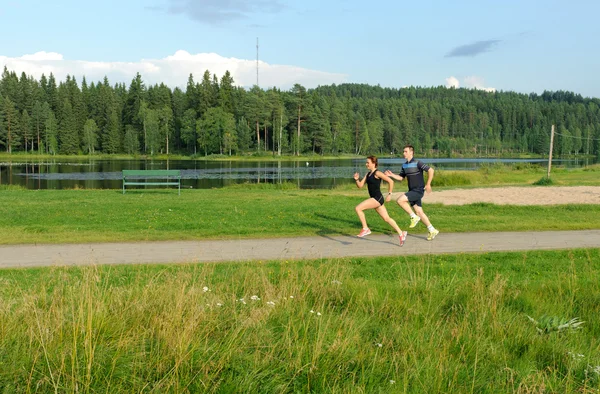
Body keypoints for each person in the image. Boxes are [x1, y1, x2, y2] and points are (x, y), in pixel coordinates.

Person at [385, 145, 439, 241]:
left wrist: (428, 184)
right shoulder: (404, 165)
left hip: (418, 190)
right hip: (412, 191)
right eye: (403, 151)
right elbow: (401, 177)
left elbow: (431, 170)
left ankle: (413, 217)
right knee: (419, 212)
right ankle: (432, 229)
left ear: (411, 152)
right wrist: (392, 175)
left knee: (400, 200)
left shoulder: (418, 163)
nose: (404, 153)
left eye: (405, 151)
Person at [353, 156, 408, 246]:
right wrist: (356, 179)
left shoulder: (377, 173)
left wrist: (389, 194)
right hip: (376, 199)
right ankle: (401, 233)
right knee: (387, 219)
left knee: (358, 208)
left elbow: (391, 181)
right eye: (366, 162)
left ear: (373, 163)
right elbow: (360, 186)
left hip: (377, 198)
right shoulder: (368, 174)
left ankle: (365, 228)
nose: (366, 164)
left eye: (368, 162)